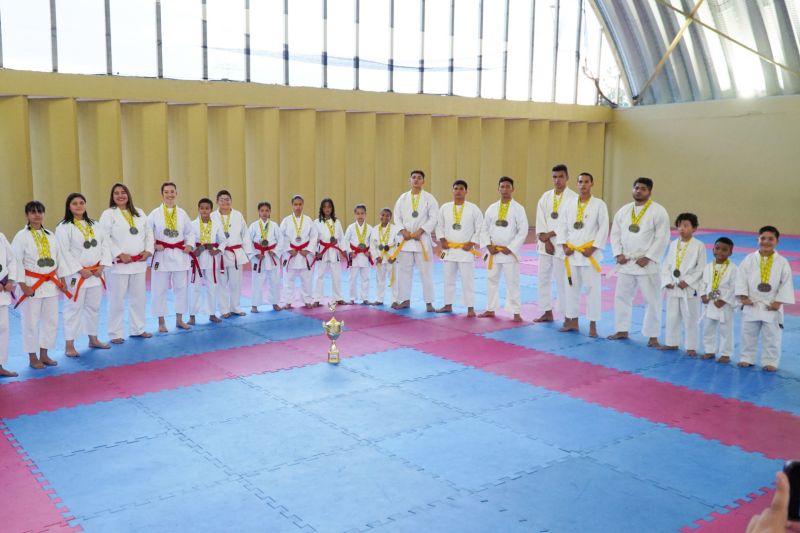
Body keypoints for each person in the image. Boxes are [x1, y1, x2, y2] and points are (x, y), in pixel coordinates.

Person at [607, 177, 670, 347]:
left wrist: (649, 257)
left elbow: (662, 237)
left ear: (649, 191)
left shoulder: (658, 211)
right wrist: (617, 254)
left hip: (647, 263)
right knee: (622, 297)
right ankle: (622, 329)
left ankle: (653, 336)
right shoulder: (624, 211)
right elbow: (615, 234)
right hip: (626, 262)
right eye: (636, 188)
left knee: (652, 300)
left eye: (643, 188)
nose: (638, 191)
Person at [12, 201, 72, 369]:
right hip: (32, 284)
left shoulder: (50, 235)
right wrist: (22, 285)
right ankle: (32, 357)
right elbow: (16, 262)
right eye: (33, 212)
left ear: (44, 214)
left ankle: (44, 354)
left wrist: (63, 280)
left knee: (50, 320)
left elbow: (59, 259)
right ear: (27, 215)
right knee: (30, 322)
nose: (37, 215)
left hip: (51, 284)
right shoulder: (21, 236)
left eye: (40, 211)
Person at [55, 193, 113, 357]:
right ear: (69, 207)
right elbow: (63, 252)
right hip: (76, 276)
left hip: (95, 274)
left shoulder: (95, 224)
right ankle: (69, 345)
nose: (79, 206)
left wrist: (102, 265)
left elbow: (104, 245)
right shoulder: (64, 227)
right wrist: (80, 270)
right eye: (75, 203)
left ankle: (93, 339)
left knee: (93, 308)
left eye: (82, 203)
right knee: (73, 309)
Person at [98, 183, 154, 344]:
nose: (120, 195)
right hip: (118, 266)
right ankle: (115, 333)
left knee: (139, 298)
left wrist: (148, 250)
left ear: (128, 194)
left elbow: (149, 234)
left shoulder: (139, 213)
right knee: (116, 300)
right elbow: (104, 237)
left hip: (138, 263)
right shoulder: (109, 214)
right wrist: (119, 253)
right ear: (112, 196)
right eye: (116, 193)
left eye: (123, 192)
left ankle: (138, 328)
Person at [555, 172, 608, 337]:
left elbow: (603, 227)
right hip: (571, 254)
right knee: (571, 288)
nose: (583, 185)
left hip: (588, 254)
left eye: (586, 182)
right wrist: (564, 245)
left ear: (592, 184)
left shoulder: (599, 205)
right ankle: (573, 321)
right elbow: (562, 226)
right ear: (576, 184)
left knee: (593, 290)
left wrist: (594, 247)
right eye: (580, 182)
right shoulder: (569, 204)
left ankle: (593, 324)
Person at [736, 226, 795, 371]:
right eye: (763, 238)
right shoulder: (749, 259)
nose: (766, 242)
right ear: (758, 239)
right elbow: (741, 278)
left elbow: (786, 283)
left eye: (771, 239)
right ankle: (746, 358)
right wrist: (743, 297)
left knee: (772, 335)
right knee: (748, 333)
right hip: (752, 302)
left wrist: (778, 302)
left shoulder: (782, 262)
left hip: (771, 304)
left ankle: (770, 361)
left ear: (777, 241)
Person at [479, 176, 529, 322]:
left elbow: (523, 230)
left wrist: (511, 247)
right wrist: (488, 246)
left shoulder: (518, 209)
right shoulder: (491, 208)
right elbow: (484, 229)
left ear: (513, 189)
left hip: (509, 252)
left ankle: (516, 312)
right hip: (493, 251)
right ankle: (490, 308)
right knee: (491, 280)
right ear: (498, 189)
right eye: (502, 186)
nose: (505, 189)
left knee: (512, 281)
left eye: (508, 186)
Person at [534, 164, 578, 324]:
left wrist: (550, 236)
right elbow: (540, 219)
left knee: (562, 280)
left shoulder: (574, 198)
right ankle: (546, 311)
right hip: (545, 244)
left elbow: (567, 223)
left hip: (561, 245)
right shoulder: (545, 197)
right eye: (554, 177)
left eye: (560, 177)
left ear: (567, 178)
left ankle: (568, 315)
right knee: (543, 278)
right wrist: (544, 239)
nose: (557, 180)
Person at [147, 182, 194, 332]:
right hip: (162, 254)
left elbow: (189, 232)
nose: (169, 195)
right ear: (162, 194)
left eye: (172, 192)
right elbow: (147, 233)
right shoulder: (154, 214)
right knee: (158, 289)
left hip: (179, 254)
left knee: (181, 288)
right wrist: (153, 244)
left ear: (176, 193)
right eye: (166, 192)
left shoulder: (182, 213)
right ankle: (161, 322)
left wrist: (190, 245)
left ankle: (179, 319)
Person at [659, 213, 706, 356]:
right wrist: (667, 280)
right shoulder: (674, 244)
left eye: (686, 225)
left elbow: (701, 268)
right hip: (674, 286)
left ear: (694, 228)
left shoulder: (699, 246)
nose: (681, 228)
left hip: (689, 289)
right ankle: (671, 343)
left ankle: (691, 346)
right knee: (672, 316)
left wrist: (688, 281)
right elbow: (666, 264)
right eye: (679, 225)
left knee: (690, 318)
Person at [392, 170, 439, 311]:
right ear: (410, 180)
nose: (416, 180)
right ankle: (405, 300)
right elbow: (397, 216)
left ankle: (429, 303)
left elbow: (434, 217)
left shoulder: (429, 198)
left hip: (422, 240)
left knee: (426, 272)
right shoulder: (403, 198)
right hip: (405, 241)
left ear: (423, 181)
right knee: (404, 272)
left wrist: (421, 230)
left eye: (419, 178)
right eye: (414, 178)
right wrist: (402, 230)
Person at [435, 179, 483, 317]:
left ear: (466, 192)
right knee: (448, 278)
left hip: (465, 250)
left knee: (467, 280)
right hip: (448, 250)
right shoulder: (445, 208)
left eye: (461, 189)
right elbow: (439, 225)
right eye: (456, 188)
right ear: (452, 190)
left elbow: (480, 226)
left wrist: (472, 242)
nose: (458, 191)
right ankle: (448, 305)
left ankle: (470, 308)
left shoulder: (473, 209)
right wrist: (442, 239)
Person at [212, 190, 252, 318]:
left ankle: (235, 307)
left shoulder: (237, 215)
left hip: (235, 253)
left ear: (231, 201)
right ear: (217, 201)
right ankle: (224, 310)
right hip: (220, 254)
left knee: (236, 283)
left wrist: (248, 253)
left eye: (227, 199)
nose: (225, 201)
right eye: (222, 199)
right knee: (221, 283)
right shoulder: (213, 216)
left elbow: (245, 234)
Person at [700, 237, 737, 363]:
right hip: (710, 301)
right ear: (713, 249)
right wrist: (702, 295)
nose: (720, 252)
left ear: (730, 253)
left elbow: (734, 287)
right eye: (717, 248)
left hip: (724, 305)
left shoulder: (733, 269)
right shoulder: (708, 267)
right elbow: (703, 284)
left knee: (726, 330)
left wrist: (724, 300)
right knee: (708, 328)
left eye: (724, 250)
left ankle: (725, 354)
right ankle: (709, 350)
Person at [188, 198, 225, 325]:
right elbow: (189, 240)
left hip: (211, 257)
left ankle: (212, 313)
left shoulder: (216, 224)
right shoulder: (192, 224)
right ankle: (192, 315)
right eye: (202, 208)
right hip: (197, 258)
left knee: (212, 287)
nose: (204, 210)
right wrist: (193, 249)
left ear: (211, 209)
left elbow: (223, 240)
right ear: (198, 209)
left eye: (207, 208)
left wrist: (218, 250)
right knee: (194, 287)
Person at [280, 195, 317, 309]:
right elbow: (281, 237)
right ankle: (288, 301)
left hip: (304, 253)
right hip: (291, 253)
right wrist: (288, 249)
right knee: (288, 279)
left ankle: (307, 300)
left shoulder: (308, 220)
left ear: (303, 205)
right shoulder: (286, 221)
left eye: (300, 204)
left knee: (306, 279)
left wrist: (308, 249)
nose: (298, 207)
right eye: (295, 204)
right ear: (292, 205)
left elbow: (314, 236)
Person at [248, 201, 283, 312]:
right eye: (262, 210)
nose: (264, 213)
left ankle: (275, 303)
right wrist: (255, 253)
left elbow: (281, 240)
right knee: (257, 281)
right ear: (258, 212)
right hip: (259, 257)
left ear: (270, 212)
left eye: (267, 210)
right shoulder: (253, 226)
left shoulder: (274, 225)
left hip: (271, 256)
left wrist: (276, 251)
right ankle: (254, 305)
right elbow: (248, 242)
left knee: (275, 281)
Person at [312, 198, 346, 307]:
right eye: (325, 207)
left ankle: (338, 297)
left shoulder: (337, 221)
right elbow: (313, 238)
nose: (327, 209)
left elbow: (341, 237)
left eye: (329, 207)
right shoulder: (317, 222)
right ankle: (316, 299)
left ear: (332, 208)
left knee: (336, 275)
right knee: (319, 275)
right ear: (321, 209)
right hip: (322, 250)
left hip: (334, 250)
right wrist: (315, 252)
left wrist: (344, 250)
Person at [344, 204, 374, 305]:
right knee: (352, 278)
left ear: (365, 214)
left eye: (362, 213)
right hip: (354, 256)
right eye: (358, 214)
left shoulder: (370, 228)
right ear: (355, 215)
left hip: (365, 256)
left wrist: (370, 252)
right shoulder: (351, 227)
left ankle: (365, 298)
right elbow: (345, 241)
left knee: (366, 278)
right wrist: (349, 251)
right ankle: (352, 298)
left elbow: (373, 243)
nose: (360, 216)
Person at [369, 207, 400, 306]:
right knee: (379, 279)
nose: (384, 217)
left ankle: (395, 300)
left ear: (390, 218)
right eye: (383, 215)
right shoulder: (374, 229)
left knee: (394, 280)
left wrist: (394, 256)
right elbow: (372, 245)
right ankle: (379, 299)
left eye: (387, 215)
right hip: (380, 258)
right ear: (379, 216)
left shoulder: (394, 229)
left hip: (391, 258)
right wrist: (376, 257)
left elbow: (398, 244)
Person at [0, 231, 18, 377]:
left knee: (3, 328)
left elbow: (12, 260)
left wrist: (10, 280)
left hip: (3, 291)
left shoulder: (1, 237)